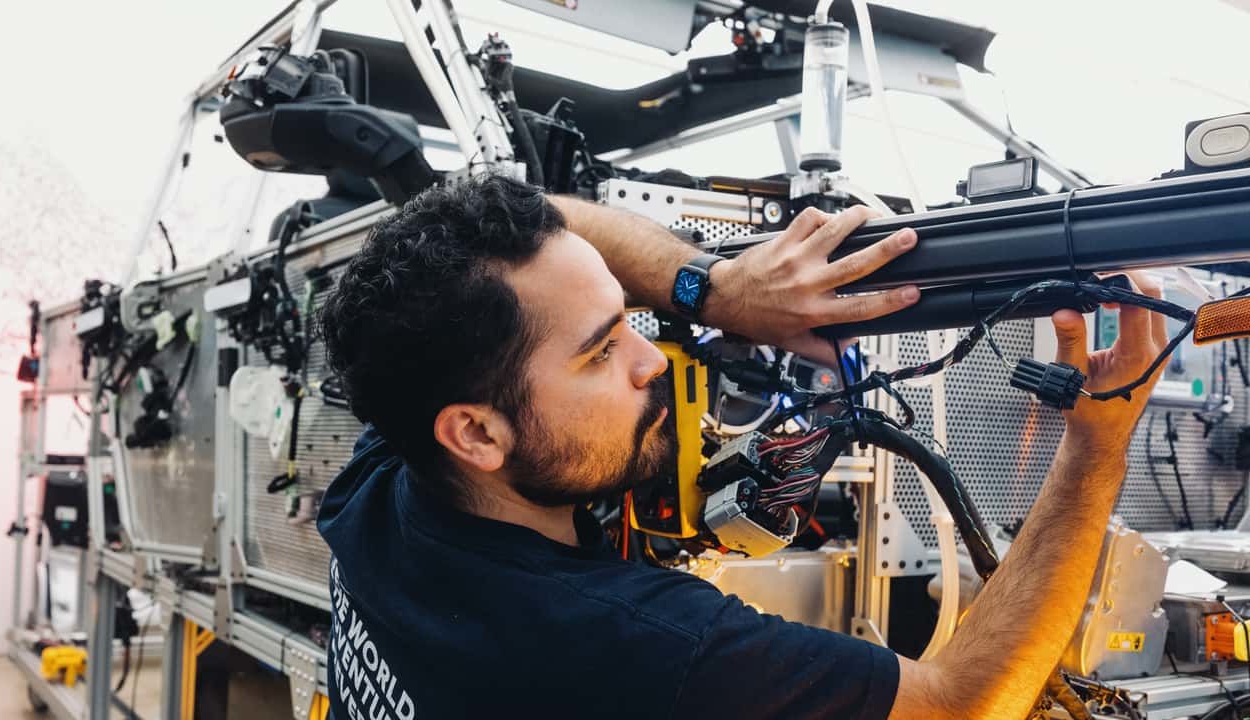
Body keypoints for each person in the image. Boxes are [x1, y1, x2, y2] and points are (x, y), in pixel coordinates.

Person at [316, 174, 1166, 720]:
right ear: (477, 433)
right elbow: (964, 705)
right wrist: (1097, 446)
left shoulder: (382, 474)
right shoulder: (638, 644)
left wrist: (712, 288)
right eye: (600, 351)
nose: (654, 358)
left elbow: (545, 217)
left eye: (629, 322)